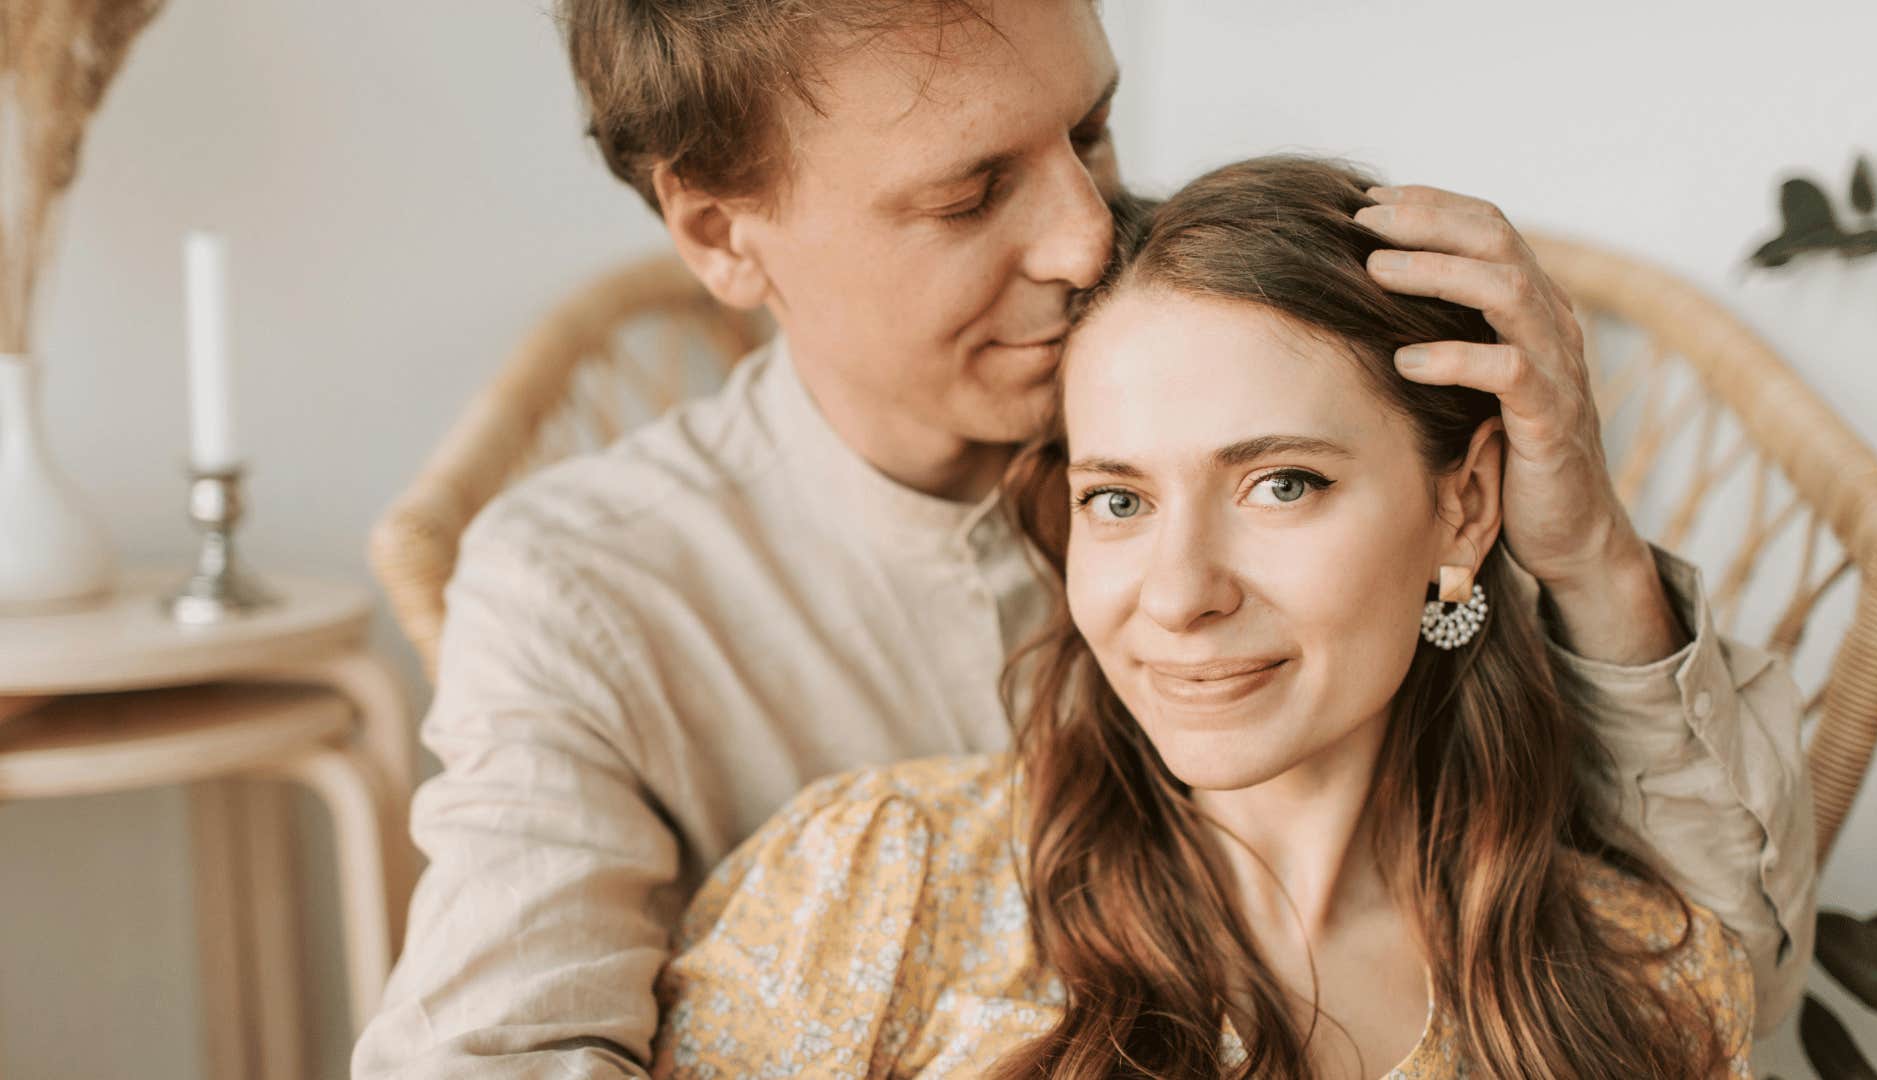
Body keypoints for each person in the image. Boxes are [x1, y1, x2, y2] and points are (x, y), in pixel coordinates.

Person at [352, 2, 1810, 1076]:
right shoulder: (594, 595)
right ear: (723, 233)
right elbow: (494, 1047)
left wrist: (1588, 554)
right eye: (971, 190)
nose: (1084, 235)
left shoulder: (1255, 349)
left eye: (1092, 129)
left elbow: (1721, 965)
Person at [650, 156, 1756, 1079]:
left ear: (1462, 508)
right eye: (1119, 501)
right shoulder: (878, 886)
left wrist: (1596, 556)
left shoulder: (1644, 978)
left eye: (1281, 484)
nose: (1179, 596)